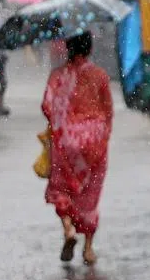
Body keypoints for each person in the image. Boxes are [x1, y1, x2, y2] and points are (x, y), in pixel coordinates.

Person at [41, 32, 113, 265]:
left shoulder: (58, 76)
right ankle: (89, 249)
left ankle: (68, 230)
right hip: (94, 142)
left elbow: (47, 105)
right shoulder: (100, 76)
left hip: (66, 142)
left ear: (68, 49)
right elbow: (108, 110)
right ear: (90, 49)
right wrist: (102, 136)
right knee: (89, 196)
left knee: (62, 189)